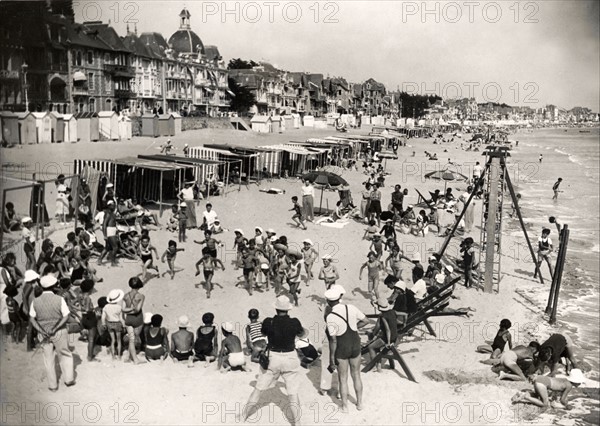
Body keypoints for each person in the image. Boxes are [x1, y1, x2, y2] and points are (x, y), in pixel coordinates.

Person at [243, 296, 304, 424]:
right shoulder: (294, 322)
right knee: (292, 394)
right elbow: (302, 334)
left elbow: (263, 334)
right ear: (288, 309)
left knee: (258, 389)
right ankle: (297, 423)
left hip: (273, 357)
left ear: (276, 308)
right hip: (290, 357)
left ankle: (243, 415)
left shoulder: (268, 321)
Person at [325, 286, 369, 413]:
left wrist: (332, 358)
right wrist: (356, 327)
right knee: (356, 375)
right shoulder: (351, 307)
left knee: (342, 378)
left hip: (342, 346)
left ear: (328, 301)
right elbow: (366, 320)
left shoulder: (330, 316)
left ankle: (344, 406)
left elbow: (333, 340)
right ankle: (359, 403)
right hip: (355, 342)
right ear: (339, 298)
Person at [29, 275, 75, 391]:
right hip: (58, 331)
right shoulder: (59, 299)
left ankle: (53, 385)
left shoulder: (35, 301)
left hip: (43, 333)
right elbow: (66, 316)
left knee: (48, 359)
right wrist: (55, 328)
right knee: (65, 354)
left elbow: (31, 319)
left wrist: (41, 330)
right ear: (54, 286)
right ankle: (68, 380)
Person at [513, 369, 585, 410]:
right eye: (579, 382)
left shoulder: (564, 380)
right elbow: (562, 400)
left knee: (537, 396)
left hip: (540, 379)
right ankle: (525, 397)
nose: (580, 384)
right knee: (545, 404)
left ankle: (521, 393)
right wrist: (566, 405)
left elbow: (555, 389)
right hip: (542, 383)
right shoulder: (569, 386)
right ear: (576, 381)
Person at [366, 297, 397, 372]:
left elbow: (387, 329)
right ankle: (379, 364)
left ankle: (376, 365)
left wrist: (388, 342)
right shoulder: (392, 312)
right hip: (395, 336)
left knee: (371, 347)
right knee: (376, 344)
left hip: (388, 338)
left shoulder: (383, 316)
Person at [122, 277, 146, 364]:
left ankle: (128, 356)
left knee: (131, 339)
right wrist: (133, 308)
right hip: (137, 319)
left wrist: (129, 309)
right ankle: (135, 359)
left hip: (128, 319)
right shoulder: (141, 296)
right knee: (133, 340)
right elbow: (138, 309)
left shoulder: (125, 296)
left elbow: (123, 309)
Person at [102, 289, 125, 360]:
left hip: (109, 323)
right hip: (117, 323)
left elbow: (103, 317)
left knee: (113, 340)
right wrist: (124, 325)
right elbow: (121, 318)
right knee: (119, 340)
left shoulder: (106, 307)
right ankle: (119, 356)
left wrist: (103, 324)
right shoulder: (119, 307)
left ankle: (113, 356)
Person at [97, 201, 119, 267]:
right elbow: (104, 225)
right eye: (112, 205)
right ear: (109, 206)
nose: (114, 206)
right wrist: (105, 235)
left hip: (112, 230)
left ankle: (99, 260)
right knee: (115, 247)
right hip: (109, 231)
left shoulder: (111, 213)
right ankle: (113, 262)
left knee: (107, 247)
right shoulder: (108, 214)